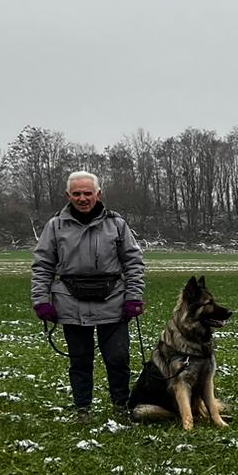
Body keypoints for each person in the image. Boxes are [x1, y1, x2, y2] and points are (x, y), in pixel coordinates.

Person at [31, 171, 146, 416]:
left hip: (113, 301)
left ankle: (121, 406)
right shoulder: (55, 226)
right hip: (70, 302)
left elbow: (134, 263)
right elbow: (42, 265)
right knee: (80, 361)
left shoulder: (117, 224)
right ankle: (83, 407)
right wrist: (41, 301)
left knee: (118, 359)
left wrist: (134, 297)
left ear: (98, 194)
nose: (82, 198)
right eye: (77, 194)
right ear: (68, 195)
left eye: (87, 193)